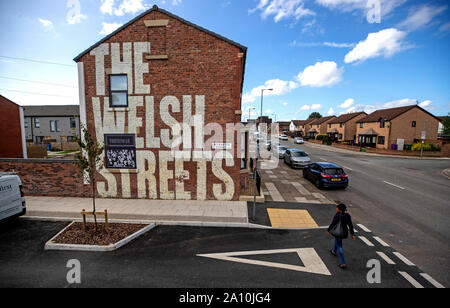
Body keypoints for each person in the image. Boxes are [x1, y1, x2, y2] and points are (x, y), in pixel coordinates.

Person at [327, 203, 355, 269]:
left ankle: (343, 263)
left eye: (337, 208)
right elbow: (350, 225)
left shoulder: (337, 215)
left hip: (338, 232)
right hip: (344, 232)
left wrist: (328, 230)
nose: (336, 209)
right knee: (337, 241)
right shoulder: (347, 215)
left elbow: (333, 223)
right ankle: (334, 251)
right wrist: (352, 234)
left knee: (339, 245)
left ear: (340, 210)